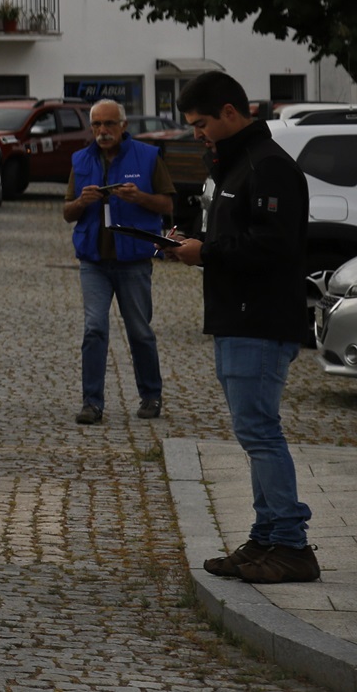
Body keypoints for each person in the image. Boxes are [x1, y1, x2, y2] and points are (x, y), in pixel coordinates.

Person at [171, 71, 319, 584]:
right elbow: (233, 230)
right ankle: (266, 537)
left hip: (260, 318)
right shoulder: (233, 163)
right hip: (238, 316)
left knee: (259, 430)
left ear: (231, 113)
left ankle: (292, 546)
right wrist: (188, 241)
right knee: (253, 430)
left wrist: (204, 253)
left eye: (202, 123)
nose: (197, 134)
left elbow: (275, 245)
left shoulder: (269, 166)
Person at [61, 99, 172, 423]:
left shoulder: (148, 156)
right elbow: (67, 212)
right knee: (94, 329)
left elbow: (167, 205)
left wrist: (140, 197)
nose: (102, 131)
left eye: (109, 124)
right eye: (96, 125)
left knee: (139, 331)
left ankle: (151, 396)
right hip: (93, 261)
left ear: (123, 126)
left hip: (134, 260)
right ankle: (92, 403)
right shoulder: (81, 159)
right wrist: (82, 201)